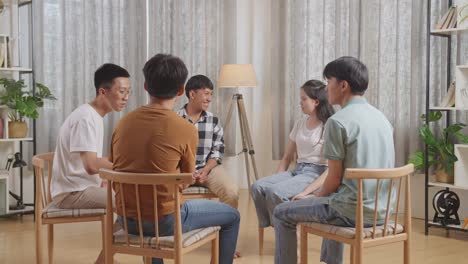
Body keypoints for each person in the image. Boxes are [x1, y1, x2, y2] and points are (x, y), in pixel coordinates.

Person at [110, 54, 240, 264]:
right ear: (182, 91)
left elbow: (115, 170)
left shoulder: (122, 123)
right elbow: (186, 179)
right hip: (166, 222)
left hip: (127, 220)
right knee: (233, 217)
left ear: (145, 86)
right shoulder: (185, 128)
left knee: (152, 208)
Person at [273, 56, 395, 264]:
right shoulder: (381, 117)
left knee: (281, 212)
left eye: (329, 82)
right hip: (382, 211)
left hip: (351, 212)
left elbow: (333, 179)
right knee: (336, 197)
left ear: (343, 85)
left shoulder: (337, 122)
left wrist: (313, 197)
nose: (326, 88)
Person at [50, 63, 131, 264]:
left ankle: (105, 258)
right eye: (121, 91)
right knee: (132, 202)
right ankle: (105, 260)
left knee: (131, 196)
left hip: (81, 186)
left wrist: (106, 177)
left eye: (128, 92)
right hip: (71, 193)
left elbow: (92, 165)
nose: (126, 97)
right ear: (102, 92)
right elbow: (91, 165)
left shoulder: (93, 116)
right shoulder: (86, 118)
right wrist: (128, 168)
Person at [251, 80, 334, 229]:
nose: (300, 103)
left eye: (304, 99)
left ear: (316, 102)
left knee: (274, 191)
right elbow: (287, 157)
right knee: (257, 186)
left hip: (315, 173)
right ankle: (274, 225)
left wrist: (307, 192)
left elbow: (330, 170)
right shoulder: (300, 123)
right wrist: (276, 178)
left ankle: (286, 228)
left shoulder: (328, 125)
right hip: (297, 170)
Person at [177, 74, 239, 209]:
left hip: (208, 169)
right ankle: (176, 228)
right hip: (180, 171)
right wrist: (187, 173)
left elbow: (217, 151)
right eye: (206, 94)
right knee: (166, 193)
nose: (209, 99)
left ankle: (226, 227)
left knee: (231, 192)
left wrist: (205, 170)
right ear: (192, 94)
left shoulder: (213, 121)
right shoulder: (174, 120)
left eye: (211, 94)